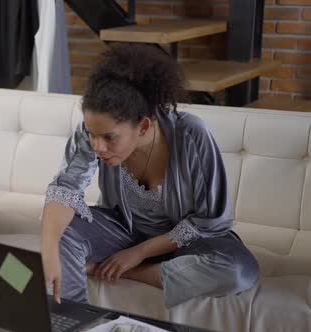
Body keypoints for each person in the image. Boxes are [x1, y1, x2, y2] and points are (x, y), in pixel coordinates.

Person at [40, 43, 259, 308]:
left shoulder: (191, 135)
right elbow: (65, 189)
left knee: (236, 269)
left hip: (188, 244)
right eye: (91, 134)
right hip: (123, 232)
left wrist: (137, 255)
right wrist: (49, 248)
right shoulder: (92, 132)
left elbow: (209, 222)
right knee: (60, 230)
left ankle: (118, 270)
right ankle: (74, 320)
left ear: (143, 126)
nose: (97, 146)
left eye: (109, 137)